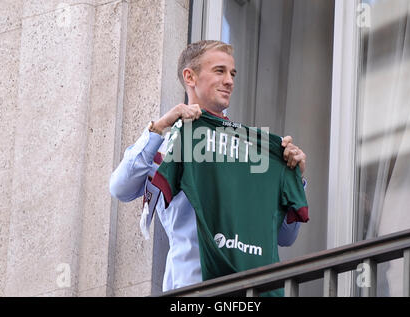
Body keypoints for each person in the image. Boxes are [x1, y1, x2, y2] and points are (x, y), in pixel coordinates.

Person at [109, 40, 307, 292]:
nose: (229, 81)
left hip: (251, 293)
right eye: (219, 71)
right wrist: (158, 128)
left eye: (232, 73)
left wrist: (295, 179)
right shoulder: (170, 141)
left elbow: (284, 237)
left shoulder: (255, 150)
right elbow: (120, 188)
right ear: (190, 77)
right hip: (192, 286)